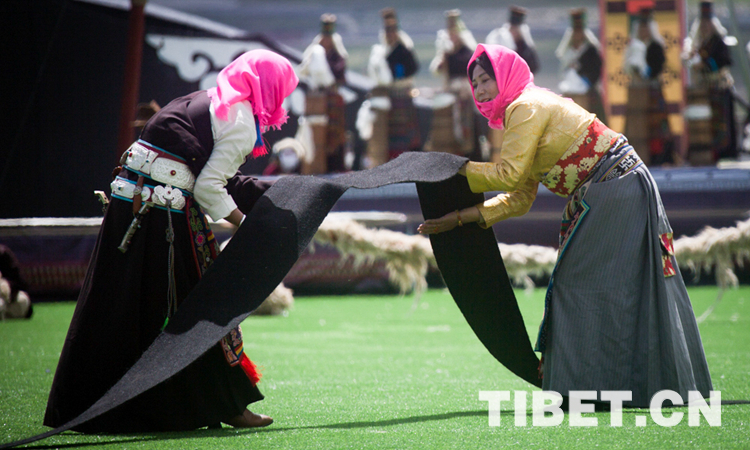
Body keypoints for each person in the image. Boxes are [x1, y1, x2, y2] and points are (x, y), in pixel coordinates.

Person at [418, 44, 712, 407]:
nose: (478, 90)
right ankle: (613, 388)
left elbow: (507, 175)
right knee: (617, 286)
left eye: (485, 80)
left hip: (616, 187)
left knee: (575, 285)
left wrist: (452, 170)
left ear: (505, 77)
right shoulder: (520, 112)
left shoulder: (525, 106)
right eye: (474, 83)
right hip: (615, 188)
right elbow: (519, 197)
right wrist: (460, 217)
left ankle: (581, 389)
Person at [44, 49, 299, 432]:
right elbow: (211, 188)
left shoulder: (207, 100)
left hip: (130, 210)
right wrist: (245, 224)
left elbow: (214, 177)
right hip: (161, 216)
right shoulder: (241, 121)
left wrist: (278, 195)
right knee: (202, 308)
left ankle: (83, 406)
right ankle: (226, 404)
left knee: (119, 306)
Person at [360, 7, 422, 168]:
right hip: (387, 98)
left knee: (403, 137)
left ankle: (404, 166)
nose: (390, 34)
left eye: (392, 30)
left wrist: (397, 73)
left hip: (402, 97)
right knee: (387, 137)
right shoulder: (382, 51)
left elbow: (413, 67)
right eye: (388, 31)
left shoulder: (403, 49)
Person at [682, 0, 737, 161]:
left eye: (708, 23)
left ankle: (725, 151)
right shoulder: (698, 44)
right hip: (704, 89)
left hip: (719, 88)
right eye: (703, 23)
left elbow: (725, 62)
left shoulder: (719, 42)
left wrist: (706, 64)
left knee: (722, 123)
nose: (705, 27)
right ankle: (708, 151)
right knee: (706, 124)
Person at [425, 9, 481, 159]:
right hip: (450, 93)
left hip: (464, 94)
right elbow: (438, 69)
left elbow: (468, 66)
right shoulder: (446, 52)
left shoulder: (467, 51)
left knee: (465, 128)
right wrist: (443, 60)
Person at [623, 7, 675, 165]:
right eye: (641, 28)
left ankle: (658, 158)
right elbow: (626, 67)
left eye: (646, 28)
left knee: (656, 128)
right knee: (636, 126)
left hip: (653, 91)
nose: (643, 31)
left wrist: (645, 72)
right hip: (637, 94)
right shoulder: (633, 47)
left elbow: (657, 67)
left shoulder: (655, 46)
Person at [297, 13, 348, 174]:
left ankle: (334, 166)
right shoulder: (314, 53)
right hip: (315, 100)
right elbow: (304, 71)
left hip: (332, 100)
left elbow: (340, 75)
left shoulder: (338, 56)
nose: (326, 41)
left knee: (334, 136)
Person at [555, 8, 607, 125]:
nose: (577, 36)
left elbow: (596, 70)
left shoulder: (590, 51)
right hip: (570, 90)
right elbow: (563, 71)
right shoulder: (568, 52)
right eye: (575, 33)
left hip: (588, 90)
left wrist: (584, 76)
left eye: (579, 33)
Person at [486, 6, 540, 74]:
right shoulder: (500, 39)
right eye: (512, 29)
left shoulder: (525, 48)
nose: (514, 32)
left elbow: (533, 66)